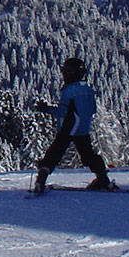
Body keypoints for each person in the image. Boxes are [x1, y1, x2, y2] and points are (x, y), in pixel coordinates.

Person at [33, 58, 116, 193]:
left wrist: (46, 109)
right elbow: (93, 109)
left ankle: (41, 179)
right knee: (88, 154)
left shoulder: (69, 91)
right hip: (83, 129)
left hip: (68, 128)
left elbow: (62, 112)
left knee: (54, 153)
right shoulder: (88, 90)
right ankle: (103, 179)